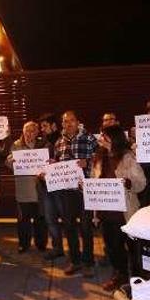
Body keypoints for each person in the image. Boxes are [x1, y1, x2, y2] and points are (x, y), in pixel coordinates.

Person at [91, 125, 146, 291]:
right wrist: (85, 187)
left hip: (125, 211)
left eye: (105, 137)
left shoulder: (128, 157)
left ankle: (138, 280)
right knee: (113, 247)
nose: (101, 139)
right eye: (101, 136)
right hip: (106, 211)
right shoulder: (99, 157)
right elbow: (94, 180)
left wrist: (128, 183)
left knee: (132, 248)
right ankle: (120, 275)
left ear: (115, 139)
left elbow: (141, 183)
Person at [52, 110, 97, 276]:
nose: (68, 124)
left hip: (84, 190)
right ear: (62, 124)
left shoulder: (89, 137)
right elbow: (57, 163)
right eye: (65, 121)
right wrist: (52, 166)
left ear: (78, 122)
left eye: (72, 120)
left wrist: (89, 161)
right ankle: (75, 261)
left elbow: (100, 156)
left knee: (86, 228)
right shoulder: (59, 143)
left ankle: (88, 262)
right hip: (66, 191)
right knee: (69, 227)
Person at [6, 122, 48, 253]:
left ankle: (41, 244)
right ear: (23, 132)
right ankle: (23, 244)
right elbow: (8, 162)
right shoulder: (16, 145)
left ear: (37, 133)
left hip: (39, 190)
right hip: (23, 190)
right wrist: (10, 162)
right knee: (23, 220)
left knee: (40, 219)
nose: (29, 134)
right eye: (26, 131)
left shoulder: (43, 145)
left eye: (32, 131)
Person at [37, 113, 64, 260]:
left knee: (67, 218)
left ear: (54, 125)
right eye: (41, 126)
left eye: (45, 126)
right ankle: (57, 247)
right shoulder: (42, 142)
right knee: (50, 218)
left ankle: (73, 250)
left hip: (61, 187)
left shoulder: (63, 140)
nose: (42, 129)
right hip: (46, 187)